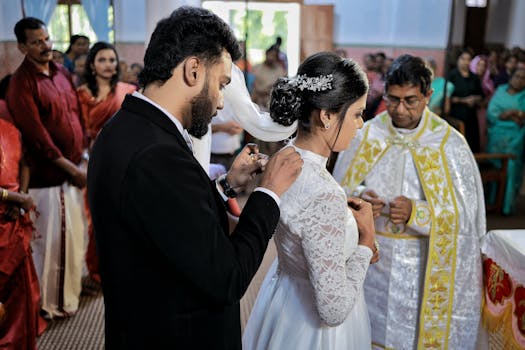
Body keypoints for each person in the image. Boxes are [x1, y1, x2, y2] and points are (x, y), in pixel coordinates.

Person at [87, 7, 303, 349]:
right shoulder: (158, 155)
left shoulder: (127, 128)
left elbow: (169, 221)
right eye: (221, 84)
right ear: (192, 70)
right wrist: (269, 194)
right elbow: (227, 277)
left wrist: (225, 187)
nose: (220, 102)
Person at [333, 54, 486, 350]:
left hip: (422, 267)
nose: (399, 109)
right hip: (372, 262)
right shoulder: (367, 133)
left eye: (410, 100)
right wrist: (361, 199)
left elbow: (468, 221)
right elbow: (340, 189)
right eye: (393, 99)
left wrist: (419, 213)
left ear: (428, 96)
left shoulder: (450, 143)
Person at [243, 51, 378, 350]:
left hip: (283, 300)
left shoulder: (282, 160)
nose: (361, 124)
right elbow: (333, 310)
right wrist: (365, 244)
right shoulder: (326, 194)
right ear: (327, 115)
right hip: (313, 332)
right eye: (357, 113)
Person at [6, 17, 87, 319]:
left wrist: (83, 156)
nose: (45, 45)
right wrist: (72, 169)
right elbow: (38, 138)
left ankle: (66, 300)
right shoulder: (20, 83)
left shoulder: (62, 72)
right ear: (22, 46)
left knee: (74, 241)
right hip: (49, 180)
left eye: (47, 38)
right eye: (37, 41)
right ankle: (46, 306)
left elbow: (76, 116)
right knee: (50, 246)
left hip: (73, 170)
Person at [77, 42, 136, 285]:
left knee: (122, 215)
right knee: (93, 218)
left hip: (122, 160)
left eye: (112, 60)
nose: (108, 64)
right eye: (102, 60)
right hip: (90, 161)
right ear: (92, 64)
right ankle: (96, 272)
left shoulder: (128, 91)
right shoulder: (80, 95)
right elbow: (77, 130)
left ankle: (121, 268)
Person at [0, 75, 43, 349]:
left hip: (14, 214)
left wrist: (20, 197)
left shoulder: (10, 128)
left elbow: (24, 164)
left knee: (22, 287)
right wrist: (14, 197)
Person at [486, 67, 525, 215]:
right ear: (511, 77)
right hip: (496, 136)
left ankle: (506, 206)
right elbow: (492, 113)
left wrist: (515, 113)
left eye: (523, 78)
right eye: (517, 76)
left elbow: (521, 119)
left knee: (511, 168)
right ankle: (491, 202)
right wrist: (511, 116)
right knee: (494, 165)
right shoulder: (501, 90)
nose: (519, 80)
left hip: (516, 138)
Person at [448, 49, 484, 152]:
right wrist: (463, 100)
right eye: (463, 59)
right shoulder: (452, 75)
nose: (466, 62)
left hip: (471, 116)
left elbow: (481, 95)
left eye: (468, 59)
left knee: (471, 144)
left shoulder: (474, 77)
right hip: (456, 115)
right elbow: (448, 98)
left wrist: (474, 98)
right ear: (458, 60)